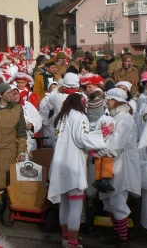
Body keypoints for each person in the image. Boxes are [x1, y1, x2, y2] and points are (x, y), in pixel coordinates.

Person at [48, 93, 107, 248]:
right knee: (75, 207)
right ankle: (73, 243)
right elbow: (82, 139)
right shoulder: (80, 117)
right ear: (81, 102)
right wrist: (103, 134)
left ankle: (66, 239)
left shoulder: (61, 117)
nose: (86, 105)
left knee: (64, 205)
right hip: (73, 166)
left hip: (59, 166)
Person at [96, 88, 141, 248]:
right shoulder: (116, 117)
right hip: (110, 166)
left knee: (118, 204)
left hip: (122, 167)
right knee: (109, 203)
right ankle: (118, 235)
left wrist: (97, 152)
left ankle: (123, 239)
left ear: (117, 100)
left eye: (109, 99)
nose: (107, 102)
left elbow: (116, 146)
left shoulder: (126, 119)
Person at [0, 83, 27, 219]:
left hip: (10, 149)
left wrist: (21, 150)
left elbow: (21, 132)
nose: (12, 95)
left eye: (13, 93)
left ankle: (5, 205)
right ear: (0, 95)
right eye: (8, 93)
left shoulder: (17, 109)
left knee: (6, 179)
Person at [40, 73, 80, 149]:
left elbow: (44, 105)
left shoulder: (57, 96)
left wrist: (44, 121)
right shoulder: (82, 97)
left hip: (60, 127)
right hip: (70, 127)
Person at [11, 86, 42, 153]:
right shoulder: (7, 107)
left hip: (28, 139)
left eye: (16, 94)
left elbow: (38, 118)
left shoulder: (27, 105)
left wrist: (32, 125)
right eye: (12, 95)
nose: (15, 97)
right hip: (13, 140)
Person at [39, 81, 59, 148]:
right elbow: (42, 109)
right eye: (52, 87)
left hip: (56, 124)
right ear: (49, 89)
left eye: (55, 87)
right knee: (48, 140)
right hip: (48, 124)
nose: (54, 89)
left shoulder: (59, 98)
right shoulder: (45, 99)